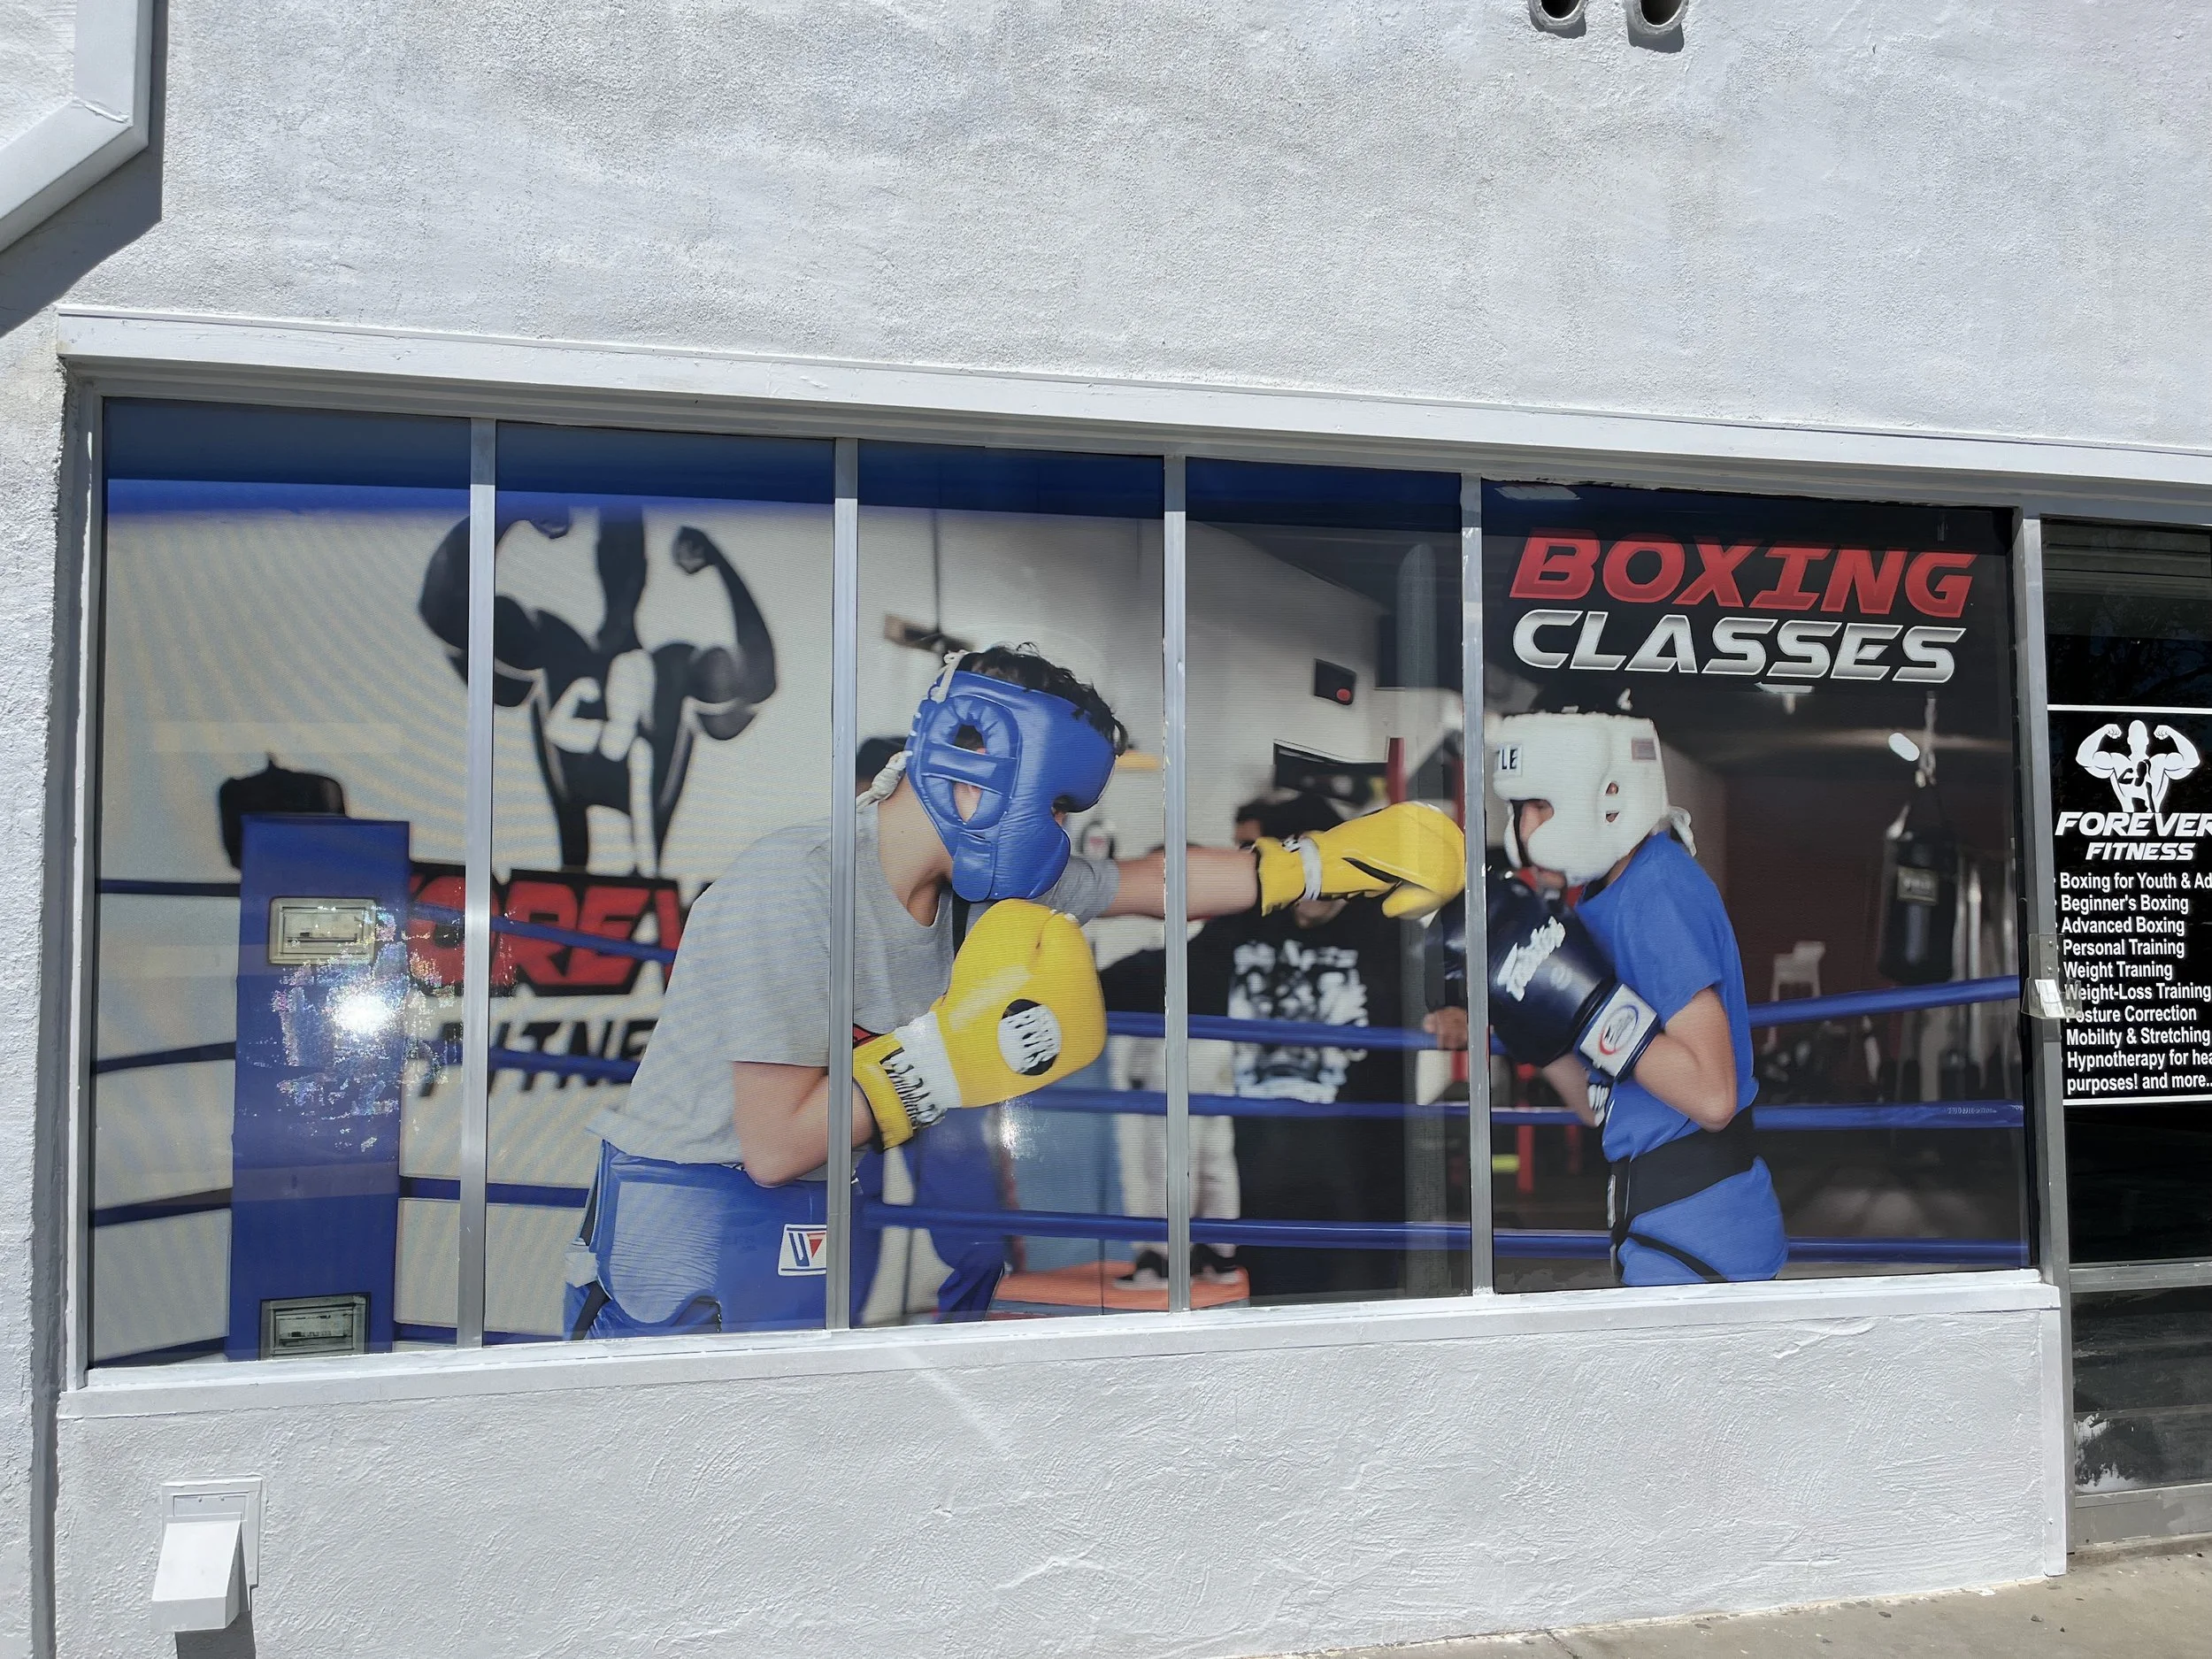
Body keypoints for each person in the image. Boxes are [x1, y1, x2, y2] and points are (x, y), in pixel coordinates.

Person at [564, 645, 1466, 1335]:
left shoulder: (982, 882)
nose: (1062, 834)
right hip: (691, 1213)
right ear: (988, 764)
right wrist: (947, 1061)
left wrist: (1319, 864)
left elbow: (1150, 885)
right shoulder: (795, 886)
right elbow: (772, 1143)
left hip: (824, 1198)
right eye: (1059, 806)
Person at [1482, 711, 1786, 1286]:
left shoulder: (1655, 889)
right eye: (1519, 809)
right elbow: (1600, 1106)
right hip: (1651, 1214)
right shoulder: (1599, 900)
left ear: (1603, 795)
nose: (1524, 828)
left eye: (1539, 805)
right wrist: (1532, 1021)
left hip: (1702, 1228)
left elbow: (1713, 1095)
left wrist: (1589, 1007)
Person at [1102, 794, 1430, 1302]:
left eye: (1317, 862)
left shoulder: (1390, 933)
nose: (1307, 884)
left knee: (1366, 1321)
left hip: (1365, 1180)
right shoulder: (1242, 929)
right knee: (1279, 1322)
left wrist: (1458, 1011)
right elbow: (1161, 974)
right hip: (1271, 1181)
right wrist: (1067, 991)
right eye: (1291, 864)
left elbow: (1458, 987)